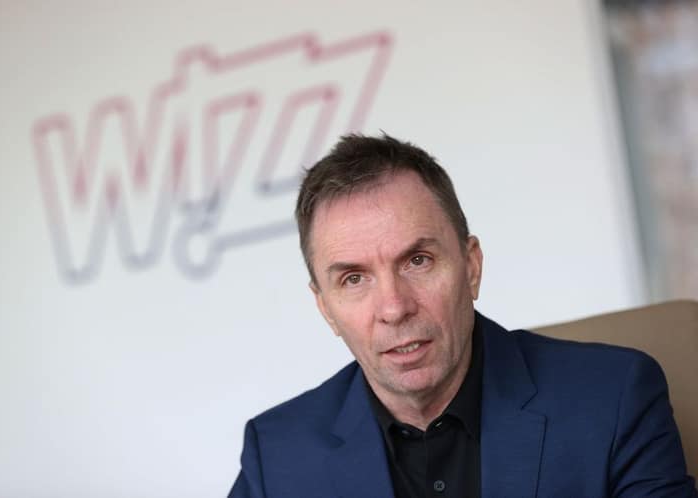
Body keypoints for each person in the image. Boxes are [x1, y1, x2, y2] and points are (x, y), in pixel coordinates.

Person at [229, 134, 696, 497]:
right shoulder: (277, 456)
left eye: (417, 261)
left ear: (471, 267)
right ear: (325, 308)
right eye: (354, 279)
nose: (394, 307)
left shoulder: (613, 398)